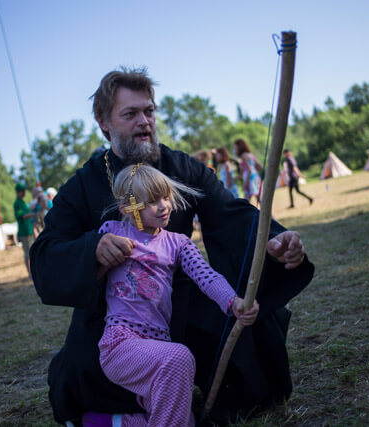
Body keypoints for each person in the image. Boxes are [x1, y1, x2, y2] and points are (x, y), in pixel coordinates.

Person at [30, 67, 314, 425]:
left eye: (149, 111)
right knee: (81, 372)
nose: (144, 121)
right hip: (116, 312)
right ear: (103, 122)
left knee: (250, 335)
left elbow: (230, 213)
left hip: (182, 296)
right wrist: (93, 251)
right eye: (130, 114)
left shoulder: (181, 167)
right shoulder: (85, 184)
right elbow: (45, 252)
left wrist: (271, 239)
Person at [92, 163, 259, 426]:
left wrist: (233, 302)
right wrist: (101, 255)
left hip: (159, 344)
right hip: (120, 343)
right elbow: (89, 271)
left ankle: (109, 422)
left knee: (182, 419)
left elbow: (207, 277)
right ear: (128, 209)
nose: (164, 206)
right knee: (179, 358)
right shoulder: (111, 233)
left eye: (166, 196)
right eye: (152, 201)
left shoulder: (177, 243)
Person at [14, 183, 35, 278]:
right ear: (19, 192)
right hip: (24, 232)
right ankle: (30, 273)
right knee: (27, 253)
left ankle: (33, 271)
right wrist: (33, 214)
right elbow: (22, 216)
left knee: (32, 252)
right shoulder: (17, 203)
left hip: (29, 230)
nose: (25, 193)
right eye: (23, 191)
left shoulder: (22, 202)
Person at [234, 138, 263, 204]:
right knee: (258, 199)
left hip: (250, 179)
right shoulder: (250, 155)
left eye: (235, 148)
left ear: (240, 147)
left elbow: (249, 170)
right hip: (255, 177)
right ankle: (269, 214)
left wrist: (245, 184)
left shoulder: (243, 156)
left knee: (246, 201)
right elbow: (260, 167)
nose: (235, 150)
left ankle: (244, 214)